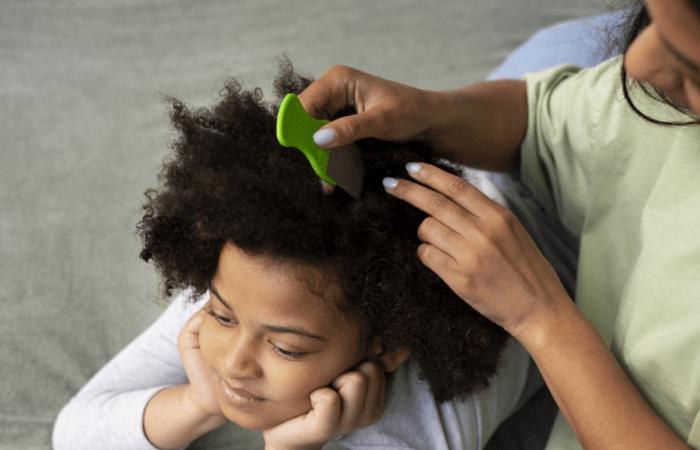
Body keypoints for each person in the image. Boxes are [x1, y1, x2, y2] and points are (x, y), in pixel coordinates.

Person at [51, 60, 540, 450]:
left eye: (287, 348)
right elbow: (73, 434)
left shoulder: (434, 412)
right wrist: (201, 403)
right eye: (221, 317)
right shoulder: (249, 277)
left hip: (563, 159)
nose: (235, 364)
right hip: (512, 105)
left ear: (388, 345)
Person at [298, 0, 700, 449]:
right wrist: (430, 113)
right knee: (562, 46)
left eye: (690, 64)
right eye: (652, 21)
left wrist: (539, 318)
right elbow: (542, 120)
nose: (637, 62)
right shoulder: (653, 94)